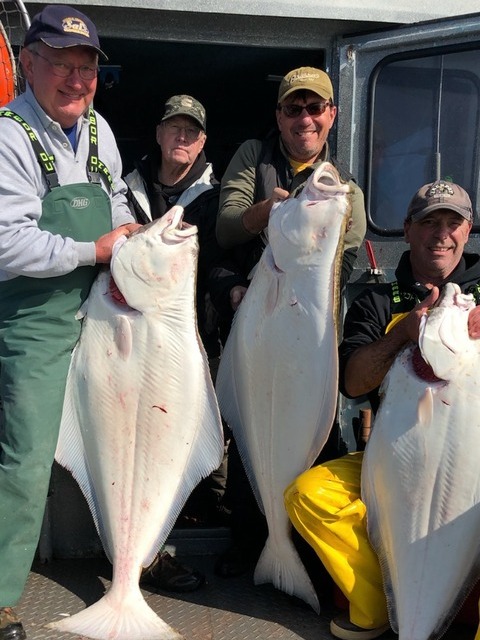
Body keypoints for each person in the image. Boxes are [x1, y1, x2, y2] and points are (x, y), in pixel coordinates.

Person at [0, 7, 143, 639]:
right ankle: (1, 595)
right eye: (62, 63)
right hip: (34, 321)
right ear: (28, 63)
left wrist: (137, 235)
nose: (77, 79)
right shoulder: (9, 136)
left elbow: (112, 201)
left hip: (103, 317)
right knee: (26, 461)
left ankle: (139, 562)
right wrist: (96, 251)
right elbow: (6, 244)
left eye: (87, 68)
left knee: (130, 443)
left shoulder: (99, 131)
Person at [284, 179, 480, 640]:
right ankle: (377, 607)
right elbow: (353, 382)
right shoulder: (376, 300)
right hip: (394, 457)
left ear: (467, 232)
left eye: (452, 224)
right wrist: (401, 337)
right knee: (308, 495)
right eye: (429, 222)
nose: (441, 234)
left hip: (468, 458)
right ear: (408, 230)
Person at [211, 66, 367, 578]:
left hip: (304, 332)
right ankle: (252, 548)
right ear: (278, 116)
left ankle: (306, 557)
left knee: (317, 443)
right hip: (257, 320)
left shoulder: (346, 191)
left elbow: (338, 268)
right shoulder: (253, 158)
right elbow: (227, 227)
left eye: (315, 107)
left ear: (331, 115)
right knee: (252, 430)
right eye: (293, 108)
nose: (305, 118)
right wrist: (269, 215)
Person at [124, 94, 228, 592]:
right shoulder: (125, 190)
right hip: (137, 346)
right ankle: (148, 553)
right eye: (174, 128)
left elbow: (229, 259)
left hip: (198, 342)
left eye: (192, 131)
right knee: (140, 446)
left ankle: (178, 535)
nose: (182, 138)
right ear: (160, 135)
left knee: (195, 452)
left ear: (203, 141)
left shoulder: (219, 197)